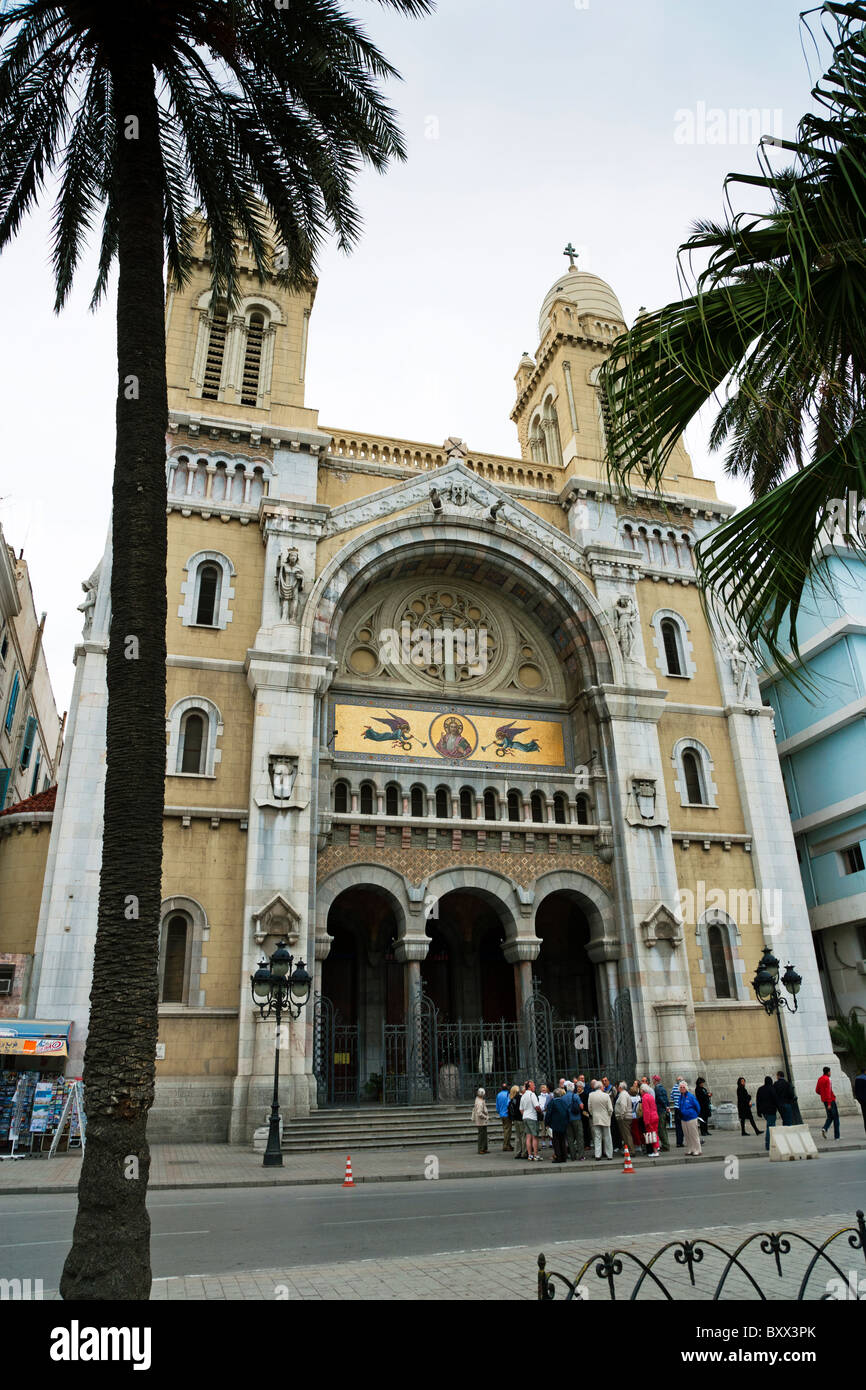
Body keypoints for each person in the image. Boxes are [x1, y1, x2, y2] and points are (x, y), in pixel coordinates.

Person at [587, 1079, 614, 1159]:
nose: (604, 1088)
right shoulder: (606, 1096)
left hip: (596, 1118)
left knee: (597, 1137)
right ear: (601, 1087)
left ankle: (597, 1155)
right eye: (603, 1086)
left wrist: (593, 1114)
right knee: (607, 1137)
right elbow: (610, 1109)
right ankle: (609, 1155)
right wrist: (609, 1116)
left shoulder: (591, 1095)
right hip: (605, 1118)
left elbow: (590, 1108)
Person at [546, 1087, 572, 1163]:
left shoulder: (552, 1102)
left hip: (555, 1123)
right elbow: (568, 1111)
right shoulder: (564, 1102)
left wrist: (547, 1123)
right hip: (563, 1123)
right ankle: (564, 1156)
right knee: (563, 1140)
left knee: (556, 1141)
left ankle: (558, 1156)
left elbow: (549, 1113)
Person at [520, 1079, 543, 1161]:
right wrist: (540, 1111)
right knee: (535, 1137)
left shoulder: (523, 1096)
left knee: (528, 1137)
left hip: (525, 1117)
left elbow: (521, 1109)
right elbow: (537, 1106)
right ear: (529, 1087)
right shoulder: (532, 1095)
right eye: (533, 1085)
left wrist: (525, 1114)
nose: (535, 1086)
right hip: (532, 1117)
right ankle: (536, 1155)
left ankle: (530, 1155)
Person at [678, 1081, 703, 1156]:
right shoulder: (680, 1097)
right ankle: (690, 1149)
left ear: (686, 1088)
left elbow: (697, 1106)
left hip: (691, 1117)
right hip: (684, 1118)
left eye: (683, 1087)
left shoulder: (691, 1096)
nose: (682, 1089)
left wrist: (695, 1114)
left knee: (694, 1134)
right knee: (687, 1135)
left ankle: (698, 1149)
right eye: (681, 1087)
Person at [816, 1066, 840, 1141]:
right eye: (830, 1072)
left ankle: (825, 1128)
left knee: (830, 1117)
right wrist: (829, 1103)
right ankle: (837, 1136)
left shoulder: (820, 1079)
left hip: (825, 1101)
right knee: (836, 1118)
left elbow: (817, 1090)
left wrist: (823, 1095)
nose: (830, 1073)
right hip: (830, 1101)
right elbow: (829, 1092)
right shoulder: (828, 1079)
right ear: (828, 1072)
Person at [755, 1074, 778, 1151]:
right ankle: (768, 1145)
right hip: (771, 1111)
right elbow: (775, 1100)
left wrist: (758, 1111)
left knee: (769, 1126)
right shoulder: (772, 1088)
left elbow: (758, 1101)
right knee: (770, 1127)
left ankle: (770, 1144)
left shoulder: (760, 1089)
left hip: (764, 1112)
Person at [640, 1083, 660, 1157]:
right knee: (655, 1133)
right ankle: (656, 1148)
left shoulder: (644, 1098)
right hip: (655, 1116)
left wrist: (646, 1121)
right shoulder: (651, 1096)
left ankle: (655, 1151)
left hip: (650, 1118)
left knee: (652, 1134)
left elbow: (646, 1111)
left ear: (642, 1090)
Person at [567, 1082, 585, 1161]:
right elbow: (581, 1106)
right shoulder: (576, 1096)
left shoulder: (563, 1097)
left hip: (568, 1119)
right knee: (579, 1137)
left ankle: (573, 1156)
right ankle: (581, 1156)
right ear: (573, 1088)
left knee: (570, 1138)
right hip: (577, 1118)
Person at [615, 1082, 634, 1154]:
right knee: (625, 1134)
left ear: (620, 1087)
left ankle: (631, 1150)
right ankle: (628, 1149)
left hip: (624, 1117)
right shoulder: (625, 1094)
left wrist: (621, 1115)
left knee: (626, 1134)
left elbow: (623, 1106)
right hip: (626, 1116)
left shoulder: (623, 1095)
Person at [653, 1075, 670, 1152]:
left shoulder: (657, 1088)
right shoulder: (662, 1087)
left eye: (653, 1080)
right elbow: (666, 1098)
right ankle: (666, 1144)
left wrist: (665, 1106)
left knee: (661, 1129)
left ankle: (665, 1145)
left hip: (660, 1110)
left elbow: (660, 1098)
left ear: (655, 1080)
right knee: (663, 1128)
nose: (652, 1081)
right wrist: (667, 1106)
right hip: (663, 1109)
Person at [508, 1084, 525, 1160]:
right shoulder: (522, 1098)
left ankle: (517, 1152)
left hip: (515, 1119)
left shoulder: (512, 1099)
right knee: (523, 1136)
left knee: (518, 1136)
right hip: (521, 1118)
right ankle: (524, 1152)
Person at [472, 1087, 489, 1154]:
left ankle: (484, 1148)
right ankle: (481, 1149)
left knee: (484, 1135)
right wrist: (485, 1117)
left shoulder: (479, 1100)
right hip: (481, 1121)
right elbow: (479, 1113)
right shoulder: (479, 1102)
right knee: (481, 1135)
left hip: (482, 1121)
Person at [669, 1074, 684, 1148]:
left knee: (678, 1127)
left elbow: (671, 1097)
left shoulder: (674, 1087)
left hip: (676, 1108)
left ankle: (678, 1142)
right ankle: (683, 1141)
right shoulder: (683, 1088)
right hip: (682, 1108)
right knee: (684, 1126)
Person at [629, 1081, 644, 1152]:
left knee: (635, 1131)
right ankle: (641, 1143)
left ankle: (637, 1144)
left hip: (632, 1115)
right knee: (639, 1130)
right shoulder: (639, 1098)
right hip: (638, 1115)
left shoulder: (629, 1099)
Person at [855, 1067, 866, 1137]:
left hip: (862, 1101)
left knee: (865, 1117)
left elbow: (856, 1090)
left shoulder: (857, 1079)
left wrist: (859, 1099)